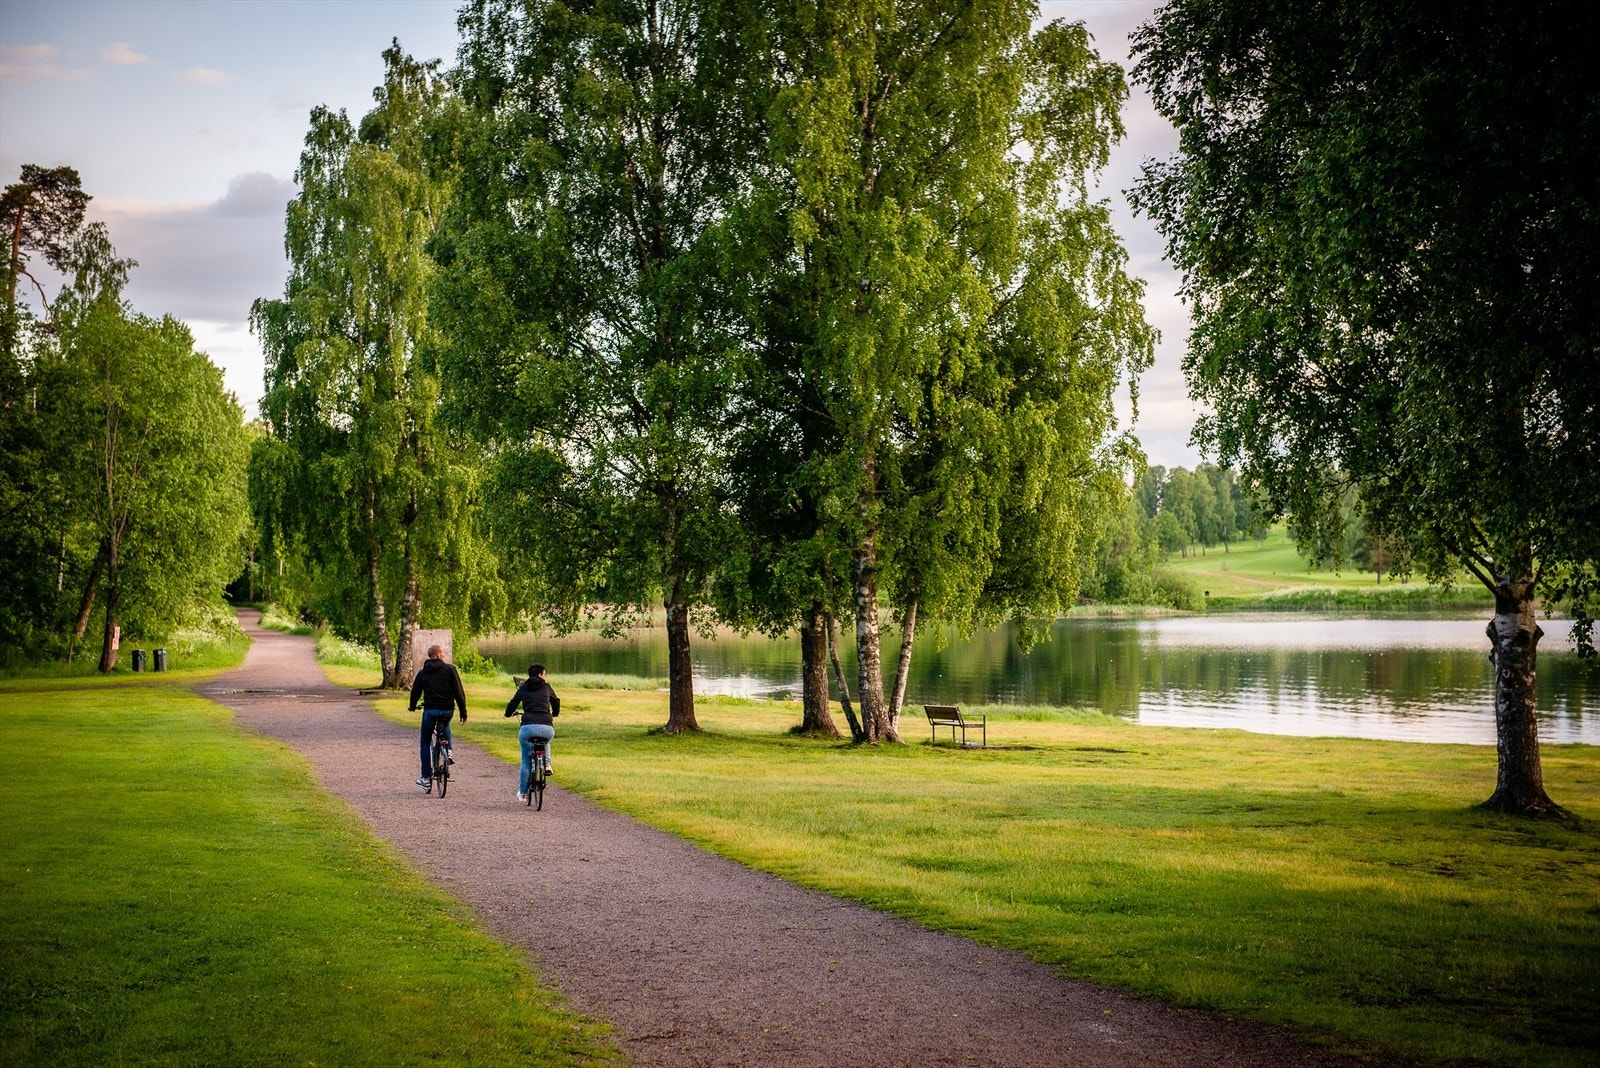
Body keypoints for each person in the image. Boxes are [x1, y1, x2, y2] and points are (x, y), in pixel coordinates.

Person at [409, 644, 468, 789]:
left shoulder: (423, 672)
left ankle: (426, 778)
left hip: (430, 710)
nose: (444, 654)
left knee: (425, 742)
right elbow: (459, 692)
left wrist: (412, 706)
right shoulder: (450, 669)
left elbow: (415, 692)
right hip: (447, 709)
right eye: (442, 652)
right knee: (445, 725)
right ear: (438, 654)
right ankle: (448, 751)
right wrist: (463, 711)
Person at [505, 662, 559, 802]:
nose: (545, 677)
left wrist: (508, 713)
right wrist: (555, 713)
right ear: (541, 675)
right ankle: (547, 763)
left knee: (525, 760)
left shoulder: (523, 687)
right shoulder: (547, 687)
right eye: (544, 674)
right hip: (547, 727)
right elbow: (556, 701)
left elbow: (513, 702)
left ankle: (522, 793)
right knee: (545, 741)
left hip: (527, 727)